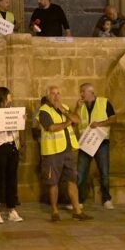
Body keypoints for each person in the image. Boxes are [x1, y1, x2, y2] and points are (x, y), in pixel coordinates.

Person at [38, 86, 92, 222]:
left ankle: (77, 210)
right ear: (48, 96)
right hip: (52, 151)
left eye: (58, 93)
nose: (56, 96)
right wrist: (68, 122)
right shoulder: (44, 111)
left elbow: (77, 120)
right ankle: (55, 211)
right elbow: (51, 127)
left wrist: (64, 110)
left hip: (68, 150)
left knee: (72, 180)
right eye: (53, 94)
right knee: (53, 182)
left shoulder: (64, 107)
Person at [74, 83, 117, 209]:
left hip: (101, 142)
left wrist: (99, 123)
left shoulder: (104, 102)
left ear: (91, 92)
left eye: (83, 91)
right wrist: (76, 108)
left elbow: (114, 119)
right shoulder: (80, 106)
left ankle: (106, 199)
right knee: (81, 172)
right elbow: (75, 121)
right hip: (85, 143)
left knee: (104, 171)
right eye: (80, 91)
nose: (81, 94)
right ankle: (79, 200)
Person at [0, 87, 24, 224]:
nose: (11, 98)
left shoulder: (12, 111)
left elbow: (17, 128)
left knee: (12, 179)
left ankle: (11, 209)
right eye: (9, 95)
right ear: (3, 97)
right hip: (0, 147)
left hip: (12, 146)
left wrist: (21, 119)